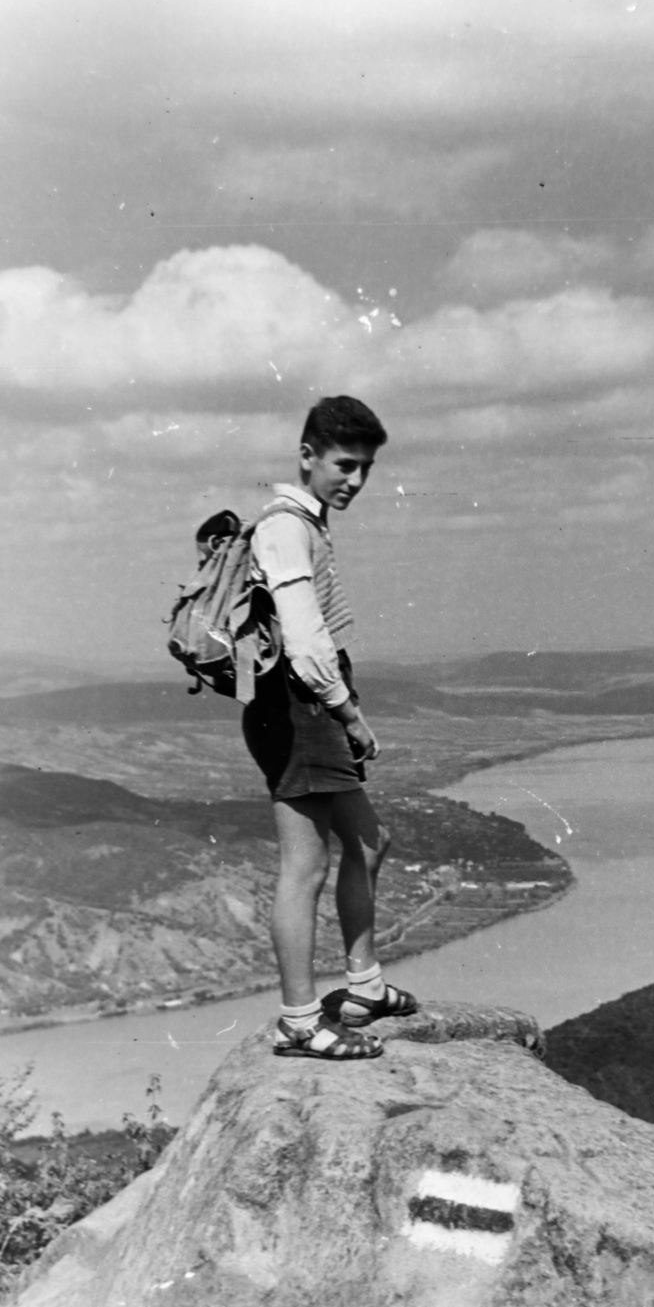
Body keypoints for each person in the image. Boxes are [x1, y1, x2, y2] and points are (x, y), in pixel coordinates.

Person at [243, 395, 417, 1060]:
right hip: (299, 705)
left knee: (370, 841)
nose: (356, 480)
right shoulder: (286, 527)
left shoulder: (305, 523)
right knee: (305, 866)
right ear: (307, 455)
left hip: (309, 700)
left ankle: (365, 986)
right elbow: (305, 639)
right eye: (345, 464)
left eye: (367, 468)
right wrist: (349, 712)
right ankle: (299, 1019)